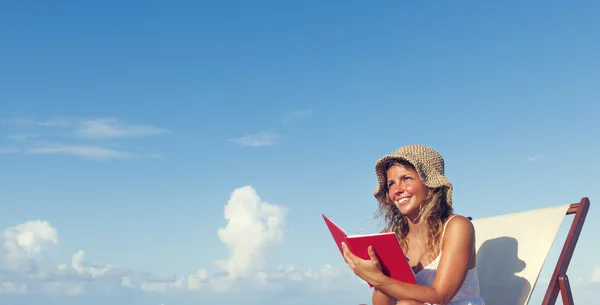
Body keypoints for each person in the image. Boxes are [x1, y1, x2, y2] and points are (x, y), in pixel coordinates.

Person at [342, 144, 485, 305]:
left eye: (406, 179)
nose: (397, 190)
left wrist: (379, 279)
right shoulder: (392, 236)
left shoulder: (457, 226)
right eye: (391, 184)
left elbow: (440, 296)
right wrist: (377, 275)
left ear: (430, 183)